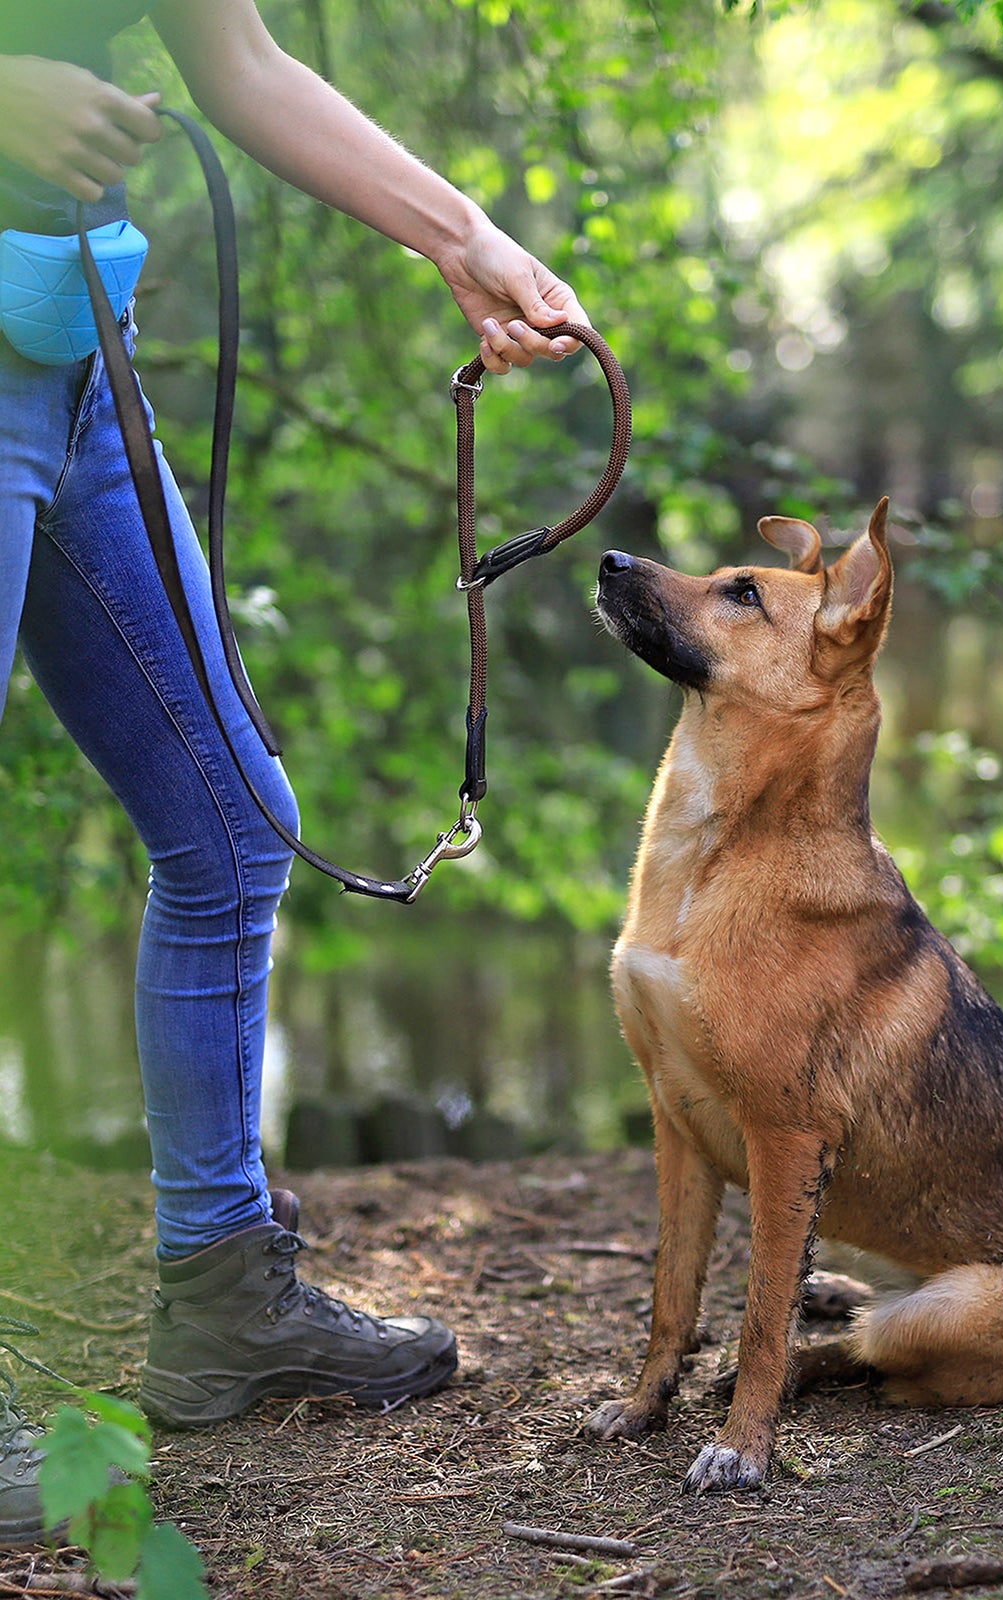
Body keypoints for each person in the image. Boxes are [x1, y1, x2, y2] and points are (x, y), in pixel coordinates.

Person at [0, 0, 588, 1548]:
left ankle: (219, 1300)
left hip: (68, 355)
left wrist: (467, 239)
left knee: (232, 820)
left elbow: (238, 58)